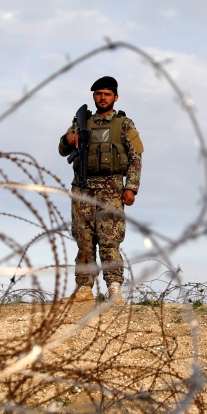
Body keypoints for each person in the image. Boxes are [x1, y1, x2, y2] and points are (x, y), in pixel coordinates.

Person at [58, 76, 143, 303]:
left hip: (112, 190)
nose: (102, 98)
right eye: (98, 94)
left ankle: (114, 289)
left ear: (115, 97)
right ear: (93, 96)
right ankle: (84, 289)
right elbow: (62, 149)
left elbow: (135, 158)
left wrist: (131, 188)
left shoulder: (124, 124)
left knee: (109, 240)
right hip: (83, 189)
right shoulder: (81, 122)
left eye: (107, 94)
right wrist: (68, 138)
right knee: (84, 240)